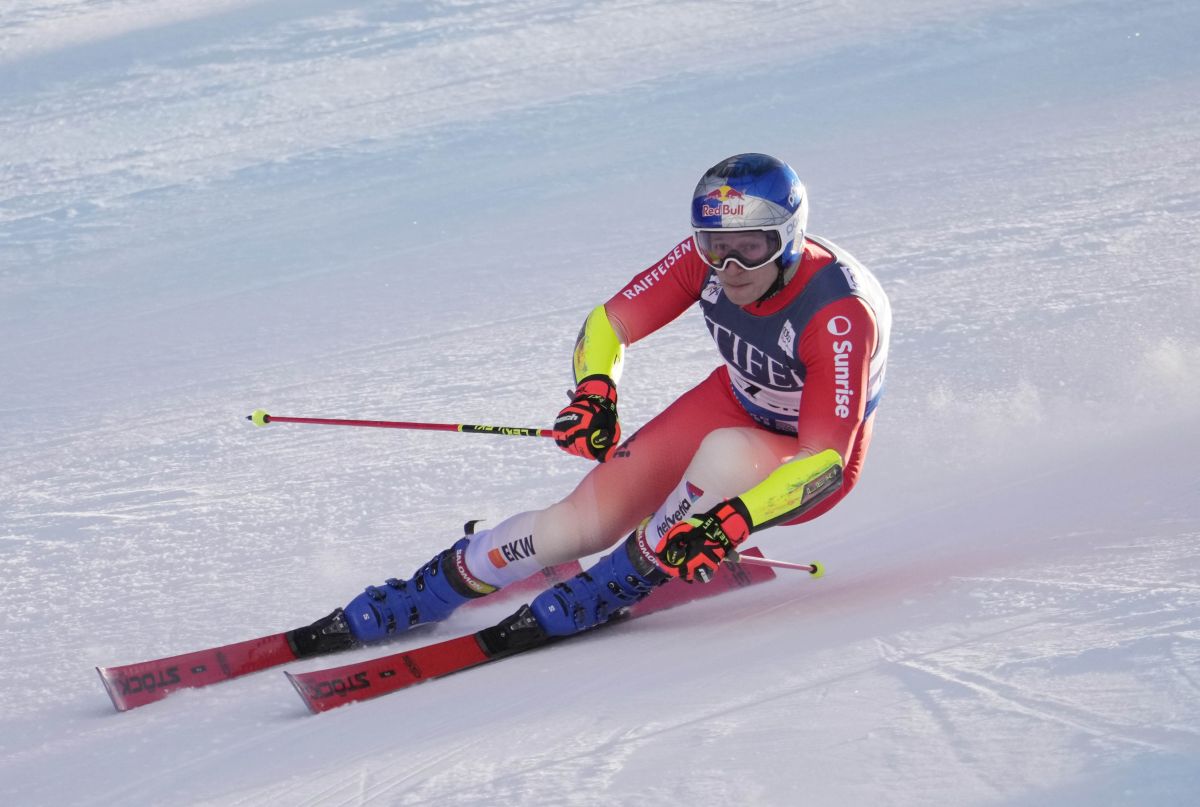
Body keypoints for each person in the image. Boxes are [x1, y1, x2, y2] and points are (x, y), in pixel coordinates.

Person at [288, 153, 891, 656]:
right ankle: (436, 586)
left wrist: (730, 522)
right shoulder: (700, 263)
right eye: (714, 246)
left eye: (750, 250)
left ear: (789, 238)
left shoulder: (838, 315)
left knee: (725, 456)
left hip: (801, 459)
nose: (729, 268)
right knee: (577, 523)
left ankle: (622, 576)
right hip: (733, 401)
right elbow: (610, 323)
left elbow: (824, 462)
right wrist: (595, 391)